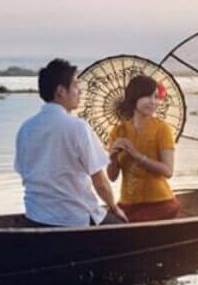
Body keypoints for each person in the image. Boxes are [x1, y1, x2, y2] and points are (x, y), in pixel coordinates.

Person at [15, 58, 128, 226]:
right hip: (74, 217)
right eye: (75, 85)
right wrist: (114, 207)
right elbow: (100, 182)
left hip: (35, 215)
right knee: (124, 227)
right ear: (61, 91)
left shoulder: (25, 128)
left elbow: (24, 172)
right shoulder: (78, 127)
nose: (80, 91)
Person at [106, 75, 180, 221]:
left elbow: (168, 171)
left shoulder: (162, 129)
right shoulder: (118, 131)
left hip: (159, 203)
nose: (153, 102)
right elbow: (112, 177)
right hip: (127, 204)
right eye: (147, 97)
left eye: (155, 97)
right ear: (134, 98)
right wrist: (113, 156)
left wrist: (137, 155)